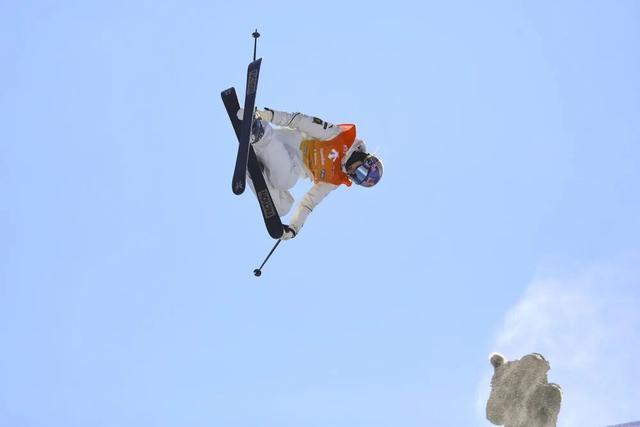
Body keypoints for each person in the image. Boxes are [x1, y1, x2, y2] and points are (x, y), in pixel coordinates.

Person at [237, 107, 383, 240]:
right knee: (286, 181)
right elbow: (299, 121)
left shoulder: (335, 179)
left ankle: (254, 170)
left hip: (280, 165)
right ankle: (260, 133)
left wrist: (294, 228)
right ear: (365, 160)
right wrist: (265, 115)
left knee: (281, 208)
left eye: (357, 179)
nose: (354, 174)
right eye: (361, 172)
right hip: (285, 144)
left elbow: (309, 203)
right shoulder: (338, 137)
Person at [486, 352, 562, 427]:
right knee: (495, 416)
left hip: (527, 409)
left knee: (496, 416)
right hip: (516, 408)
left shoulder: (548, 391)